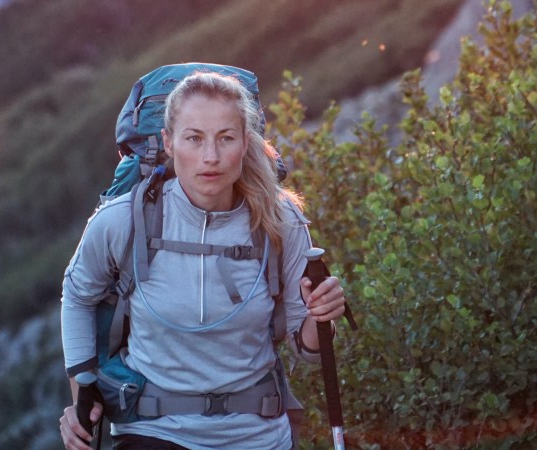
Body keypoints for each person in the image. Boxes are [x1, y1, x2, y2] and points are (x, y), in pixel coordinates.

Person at [59, 71, 347, 449]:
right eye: (194, 138)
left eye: (225, 138)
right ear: (169, 142)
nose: (210, 157)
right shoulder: (124, 219)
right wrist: (82, 390)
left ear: (245, 143)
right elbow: (78, 294)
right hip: (151, 432)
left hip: (256, 436)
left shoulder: (281, 222)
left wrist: (321, 315)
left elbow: (307, 349)